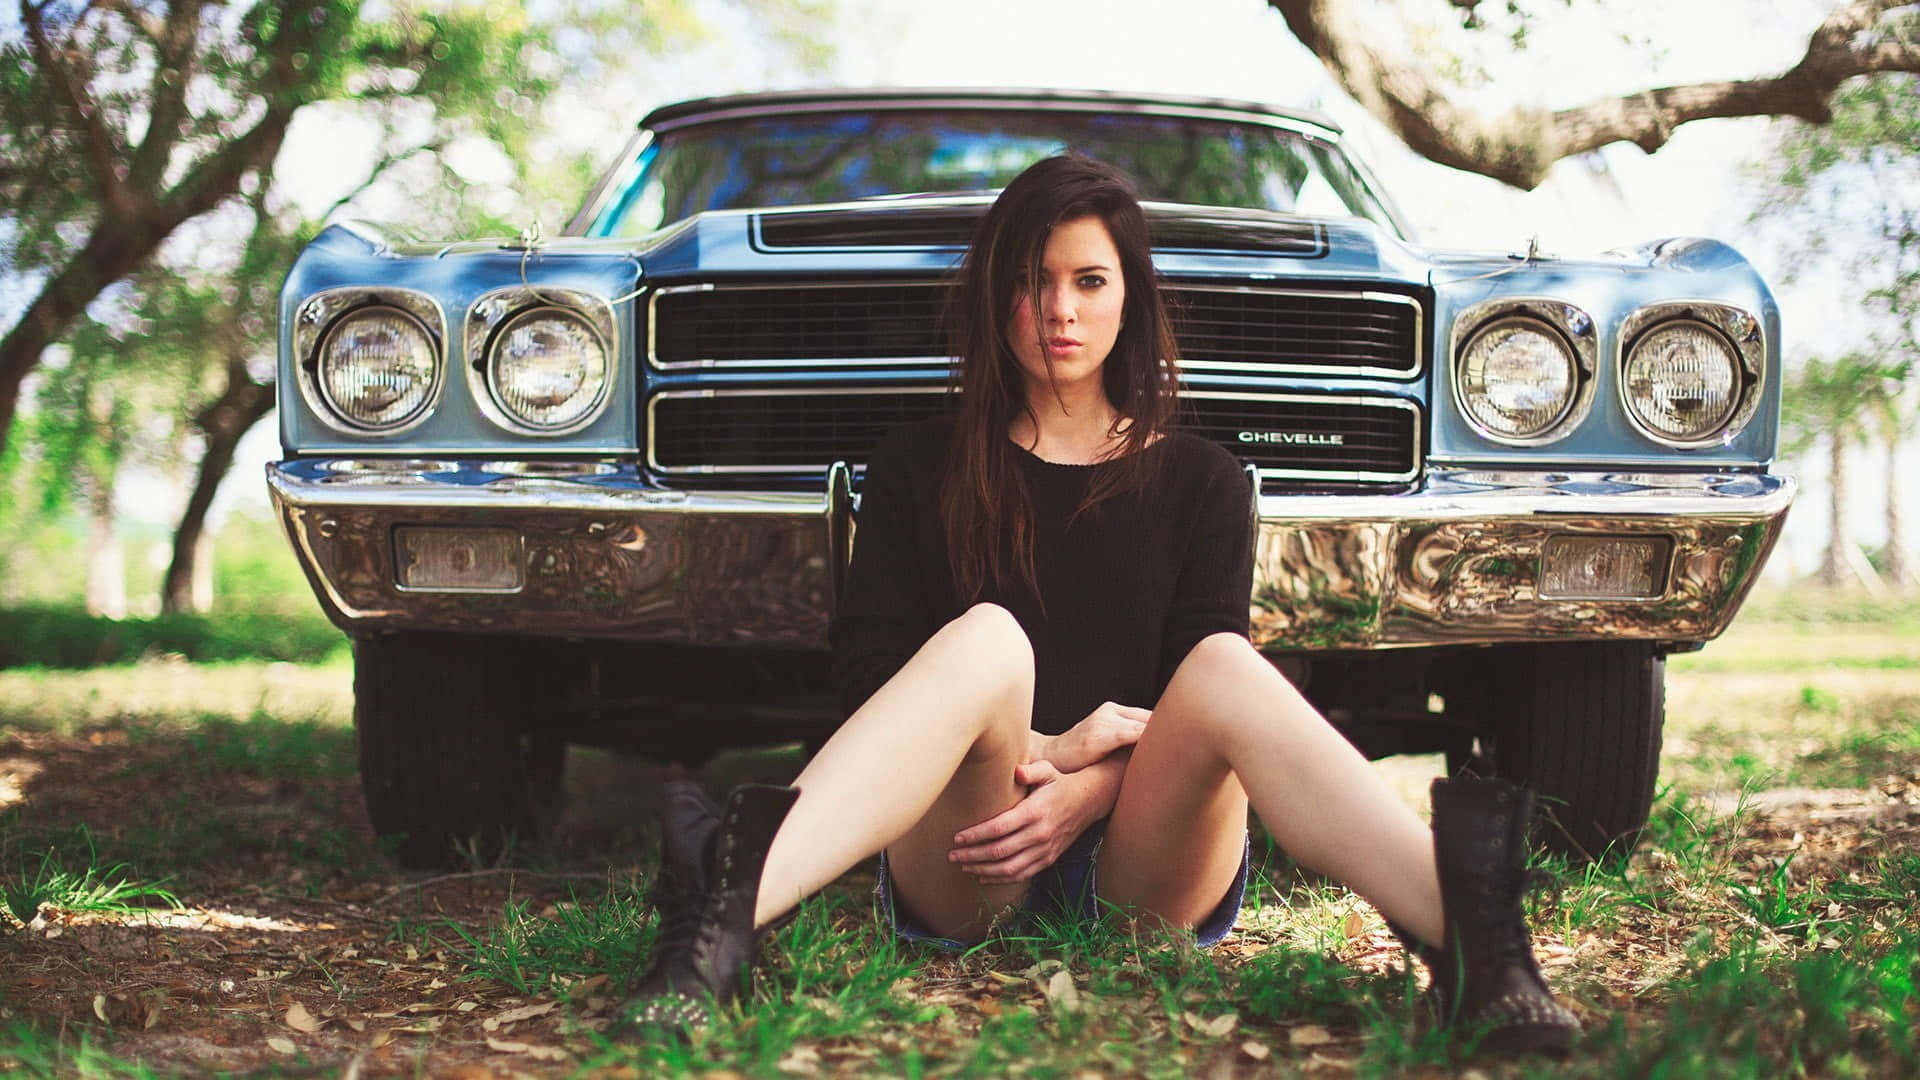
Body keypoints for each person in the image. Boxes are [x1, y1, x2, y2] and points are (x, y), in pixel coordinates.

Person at [619, 154, 1580, 1056]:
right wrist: (1051, 752)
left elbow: (1206, 716)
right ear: (997, 296)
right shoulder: (918, 466)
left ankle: (1478, 947)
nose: (1058, 310)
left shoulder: (1204, 480)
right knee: (988, 638)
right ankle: (713, 929)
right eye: (1032, 280)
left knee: (1225, 666)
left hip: (1147, 856)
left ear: (1131, 300)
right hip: (972, 848)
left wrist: (1093, 786)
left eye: (1089, 281)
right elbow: (875, 690)